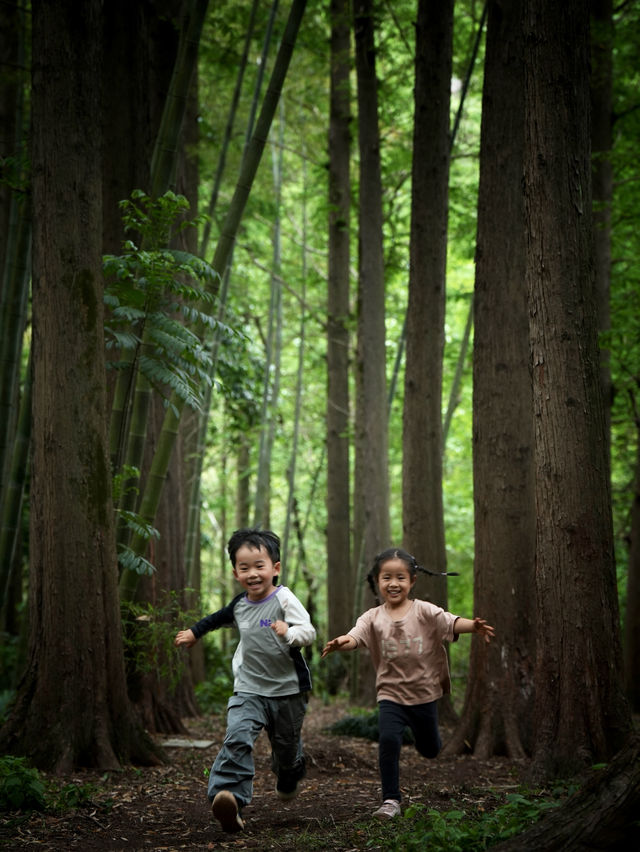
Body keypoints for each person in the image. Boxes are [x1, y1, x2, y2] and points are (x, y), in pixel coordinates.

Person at [321, 547, 495, 820]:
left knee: (430, 749)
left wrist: (474, 626)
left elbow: (450, 621)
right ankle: (391, 800)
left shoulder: (424, 611)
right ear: (377, 582)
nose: (393, 583)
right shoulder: (372, 617)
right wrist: (343, 642)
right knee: (389, 740)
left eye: (400, 577)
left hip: (424, 694)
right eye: (387, 577)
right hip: (390, 694)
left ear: (412, 581)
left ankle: (429, 738)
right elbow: (356, 636)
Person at [174, 528, 316, 833]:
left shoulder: (284, 598)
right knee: (237, 737)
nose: (252, 574)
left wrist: (289, 633)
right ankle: (230, 798)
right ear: (235, 572)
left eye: (259, 566)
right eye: (244, 568)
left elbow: (309, 631)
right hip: (249, 688)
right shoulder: (239, 605)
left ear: (275, 568)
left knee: (287, 751)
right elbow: (216, 618)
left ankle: (290, 773)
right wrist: (194, 633)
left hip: (288, 690)